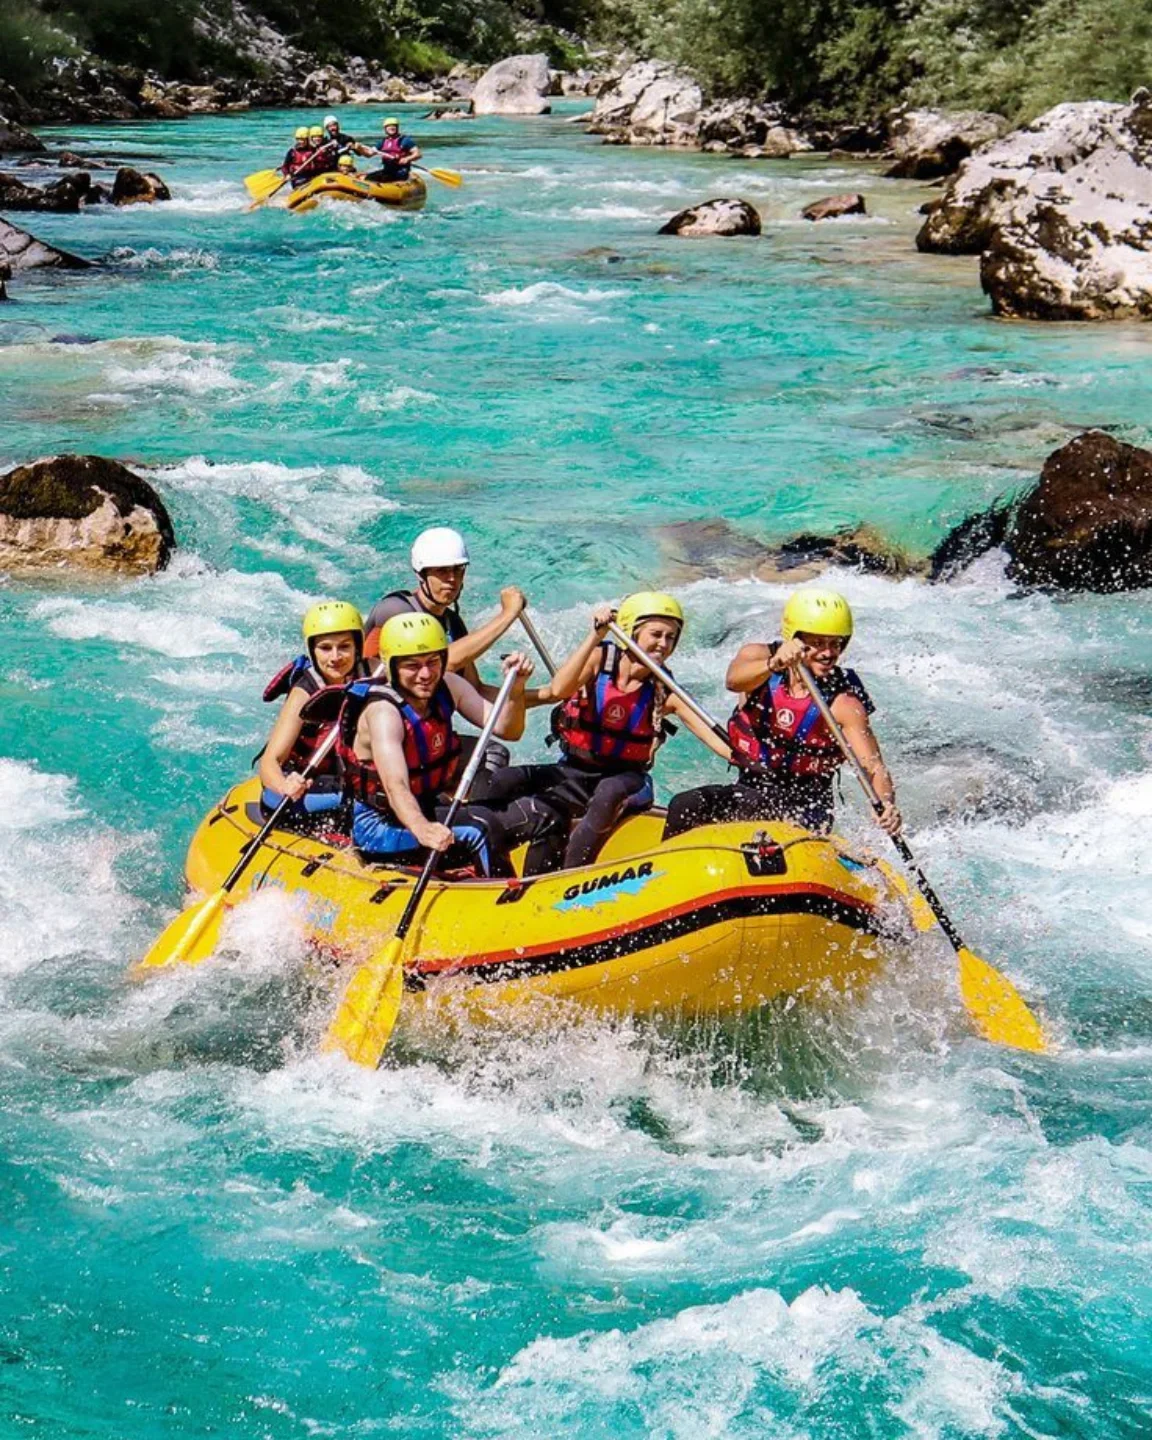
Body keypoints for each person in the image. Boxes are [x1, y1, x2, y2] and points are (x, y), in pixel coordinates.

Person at [482, 593, 733, 874]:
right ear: (631, 632)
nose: (663, 644)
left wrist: (745, 758)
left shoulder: (664, 688)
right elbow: (560, 689)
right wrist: (595, 635)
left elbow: (709, 734)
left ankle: (569, 876)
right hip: (575, 771)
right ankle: (486, 866)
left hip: (629, 780)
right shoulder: (599, 659)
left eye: (671, 637)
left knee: (608, 791)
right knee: (505, 779)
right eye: (656, 634)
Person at [663, 588, 901, 840]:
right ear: (794, 639)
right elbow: (733, 681)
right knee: (685, 804)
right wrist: (773, 664)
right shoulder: (757, 657)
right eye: (818, 643)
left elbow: (873, 766)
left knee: (754, 811)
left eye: (835, 644)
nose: (828, 653)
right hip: (750, 787)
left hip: (806, 806)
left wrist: (886, 803)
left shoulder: (843, 703)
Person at [336, 613, 563, 876]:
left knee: (545, 814)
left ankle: (546, 888)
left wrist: (516, 689)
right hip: (382, 827)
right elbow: (395, 786)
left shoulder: (449, 685)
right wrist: (422, 828)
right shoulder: (383, 713)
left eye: (433, 662)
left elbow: (508, 730)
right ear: (392, 666)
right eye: (412, 666)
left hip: (429, 805)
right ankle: (505, 896)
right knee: (480, 829)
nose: (425, 674)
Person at [258, 601, 369, 828]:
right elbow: (269, 761)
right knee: (356, 802)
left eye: (344, 646)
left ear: (357, 646)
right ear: (313, 651)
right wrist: (284, 786)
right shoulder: (304, 692)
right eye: (325, 648)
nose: (335, 657)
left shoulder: (374, 673)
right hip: (308, 783)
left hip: (351, 776)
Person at [365, 117, 421, 181]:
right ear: (385, 129)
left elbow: (418, 154)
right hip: (387, 170)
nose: (391, 128)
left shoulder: (405, 140)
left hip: (401, 171)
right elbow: (369, 154)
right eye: (388, 126)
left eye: (394, 126)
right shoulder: (383, 142)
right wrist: (358, 148)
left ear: (397, 128)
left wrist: (407, 159)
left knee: (384, 178)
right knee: (368, 178)